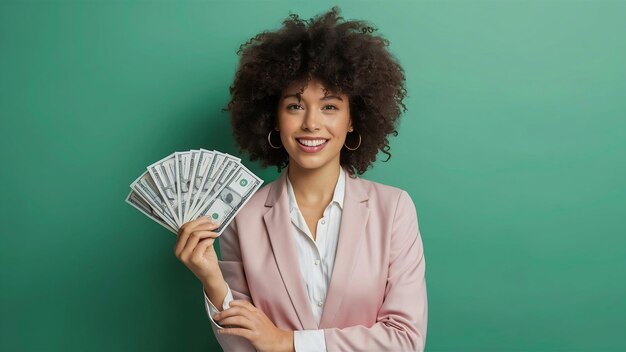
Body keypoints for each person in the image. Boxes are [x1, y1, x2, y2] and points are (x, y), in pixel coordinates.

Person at [174, 6, 428, 352]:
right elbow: (244, 347)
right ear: (273, 117)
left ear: (353, 119)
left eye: (329, 106)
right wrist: (212, 280)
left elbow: (405, 340)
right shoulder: (242, 217)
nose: (311, 123)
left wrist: (288, 342)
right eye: (295, 106)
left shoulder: (394, 209)